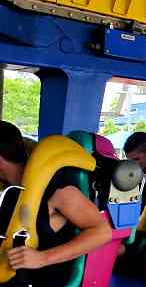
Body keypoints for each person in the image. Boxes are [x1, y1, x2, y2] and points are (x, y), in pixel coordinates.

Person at [0, 121, 112, 286]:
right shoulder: (7, 190)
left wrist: (42, 258)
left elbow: (102, 232)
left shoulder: (56, 189)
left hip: (38, 280)